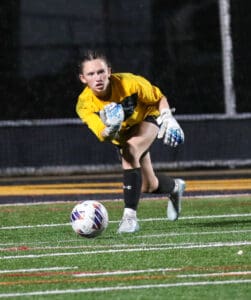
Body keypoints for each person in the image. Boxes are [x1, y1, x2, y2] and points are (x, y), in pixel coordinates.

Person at [76, 50, 186, 233]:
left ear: (109, 71)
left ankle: (130, 218)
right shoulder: (84, 104)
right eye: (91, 74)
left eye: (101, 71)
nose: (98, 78)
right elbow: (103, 135)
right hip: (122, 134)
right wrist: (111, 127)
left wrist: (167, 118)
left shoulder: (129, 83)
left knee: (130, 150)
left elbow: (159, 98)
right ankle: (175, 187)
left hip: (147, 118)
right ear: (83, 78)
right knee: (149, 186)